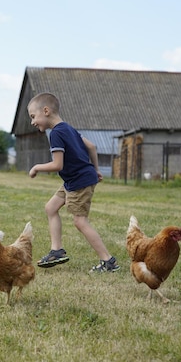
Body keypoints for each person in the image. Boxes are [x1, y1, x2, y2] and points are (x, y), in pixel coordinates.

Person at [27, 92, 120, 272]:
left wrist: (37, 167)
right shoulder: (68, 128)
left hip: (79, 181)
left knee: (80, 221)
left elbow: (57, 164)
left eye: (33, 116)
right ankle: (57, 251)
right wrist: (96, 169)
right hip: (74, 179)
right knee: (51, 208)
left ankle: (108, 261)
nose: (32, 122)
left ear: (46, 111)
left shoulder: (55, 134)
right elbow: (91, 146)